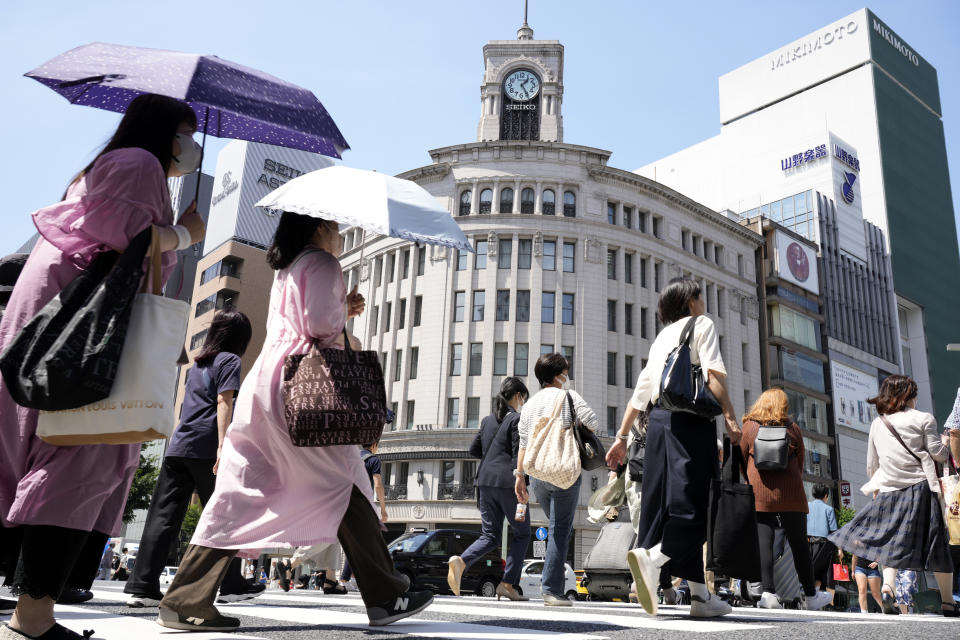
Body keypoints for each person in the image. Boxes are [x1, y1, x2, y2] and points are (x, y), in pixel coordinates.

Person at [156, 211, 431, 632]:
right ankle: (386, 594)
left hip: (268, 380)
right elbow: (322, 326)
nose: (339, 234)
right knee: (343, 479)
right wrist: (342, 310)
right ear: (319, 228)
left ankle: (185, 597)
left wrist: (342, 306)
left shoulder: (289, 267)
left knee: (245, 488)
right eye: (336, 227)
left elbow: (305, 320)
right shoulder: (322, 263)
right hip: (306, 383)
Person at [0, 93, 205, 640]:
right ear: (165, 131)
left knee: (30, 456)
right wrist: (187, 234)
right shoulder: (139, 165)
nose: (190, 146)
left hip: (53, 320)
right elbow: (128, 242)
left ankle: (32, 608)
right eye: (186, 132)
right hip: (87, 332)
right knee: (80, 458)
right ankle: (34, 614)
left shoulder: (103, 166)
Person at [606, 277, 742, 618]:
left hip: (657, 425)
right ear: (692, 300)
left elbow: (642, 390)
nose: (704, 301)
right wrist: (731, 418)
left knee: (667, 504)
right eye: (701, 295)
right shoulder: (702, 324)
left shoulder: (662, 337)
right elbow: (713, 378)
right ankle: (654, 559)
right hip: (690, 422)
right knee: (697, 505)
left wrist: (621, 437)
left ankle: (700, 596)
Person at [124, 310, 263, 608]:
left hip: (179, 445)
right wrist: (223, 444)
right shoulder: (230, 361)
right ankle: (231, 585)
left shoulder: (197, 366)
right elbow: (224, 401)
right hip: (207, 446)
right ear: (241, 338)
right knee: (225, 515)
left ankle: (143, 587)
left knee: (162, 517)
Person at [828, 374, 956, 616]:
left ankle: (887, 589)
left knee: (890, 541)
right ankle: (948, 602)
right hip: (920, 489)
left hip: (889, 490)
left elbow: (871, 465)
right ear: (909, 396)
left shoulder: (879, 423)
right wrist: (946, 441)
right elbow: (938, 454)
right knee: (937, 545)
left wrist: (878, 488)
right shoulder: (923, 419)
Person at [515, 353, 597, 607]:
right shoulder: (569, 396)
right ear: (558, 376)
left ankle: (552, 585)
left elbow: (524, 443)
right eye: (566, 371)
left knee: (556, 528)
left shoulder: (529, 405)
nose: (568, 375)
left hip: (537, 473)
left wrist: (520, 477)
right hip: (563, 470)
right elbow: (592, 423)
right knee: (560, 530)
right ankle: (551, 589)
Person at [739, 389, 832, 611]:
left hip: (760, 493)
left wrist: (752, 481)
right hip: (791, 494)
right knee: (800, 545)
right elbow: (800, 463)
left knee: (765, 544)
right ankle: (810, 596)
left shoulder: (750, 427)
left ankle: (768, 593)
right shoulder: (792, 428)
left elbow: (742, 460)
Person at [449, 377, 531, 601]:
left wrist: (493, 455)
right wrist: (522, 480)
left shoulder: (486, 421)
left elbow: (474, 450)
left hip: (484, 482)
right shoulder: (517, 419)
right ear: (517, 396)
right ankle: (507, 584)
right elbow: (518, 454)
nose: (523, 402)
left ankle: (461, 561)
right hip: (508, 482)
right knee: (522, 533)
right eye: (523, 397)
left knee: (490, 535)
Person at [339, 436, 390, 589]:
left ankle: (349, 578)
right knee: (365, 539)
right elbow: (378, 484)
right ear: (374, 445)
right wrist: (383, 508)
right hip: (362, 503)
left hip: (344, 501)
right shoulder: (373, 460)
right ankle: (347, 579)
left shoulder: (351, 458)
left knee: (358, 539)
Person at [807, 483, 841, 605]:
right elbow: (834, 531)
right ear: (826, 495)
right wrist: (840, 549)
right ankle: (829, 602)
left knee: (813, 572)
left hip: (809, 543)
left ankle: (812, 597)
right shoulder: (829, 509)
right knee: (827, 573)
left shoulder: (807, 506)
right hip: (825, 545)